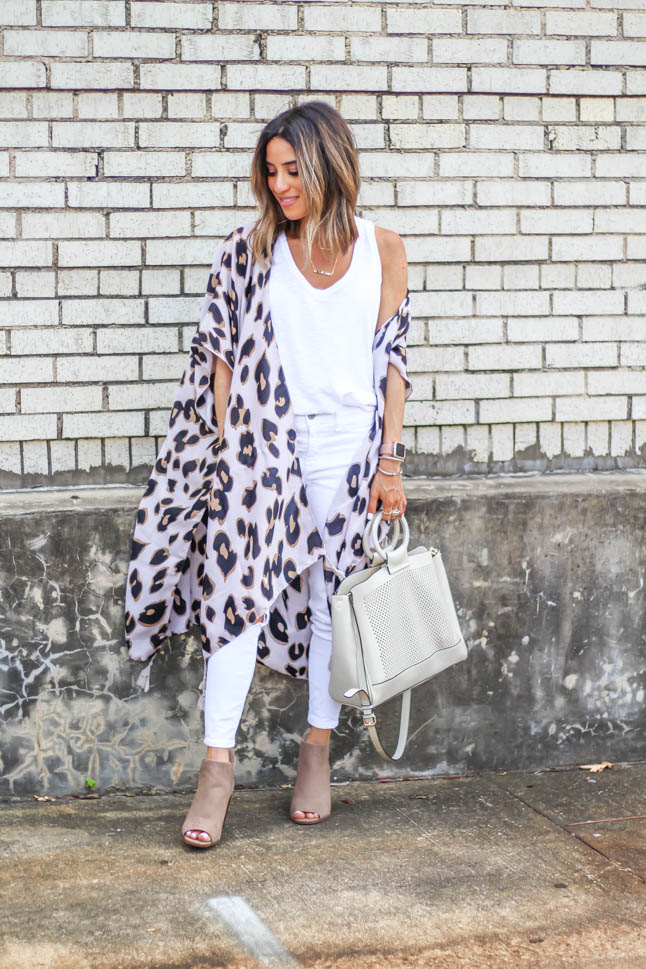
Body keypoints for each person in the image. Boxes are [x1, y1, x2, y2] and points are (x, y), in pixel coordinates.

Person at [124, 100, 412, 848]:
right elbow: (218, 357)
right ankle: (216, 769)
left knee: (328, 605)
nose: (281, 185)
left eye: (293, 170)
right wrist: (227, 445)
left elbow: (393, 366)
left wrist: (389, 462)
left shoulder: (384, 247)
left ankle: (316, 749)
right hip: (263, 445)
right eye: (272, 171)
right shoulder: (249, 249)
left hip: (348, 450)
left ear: (328, 165)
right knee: (238, 604)